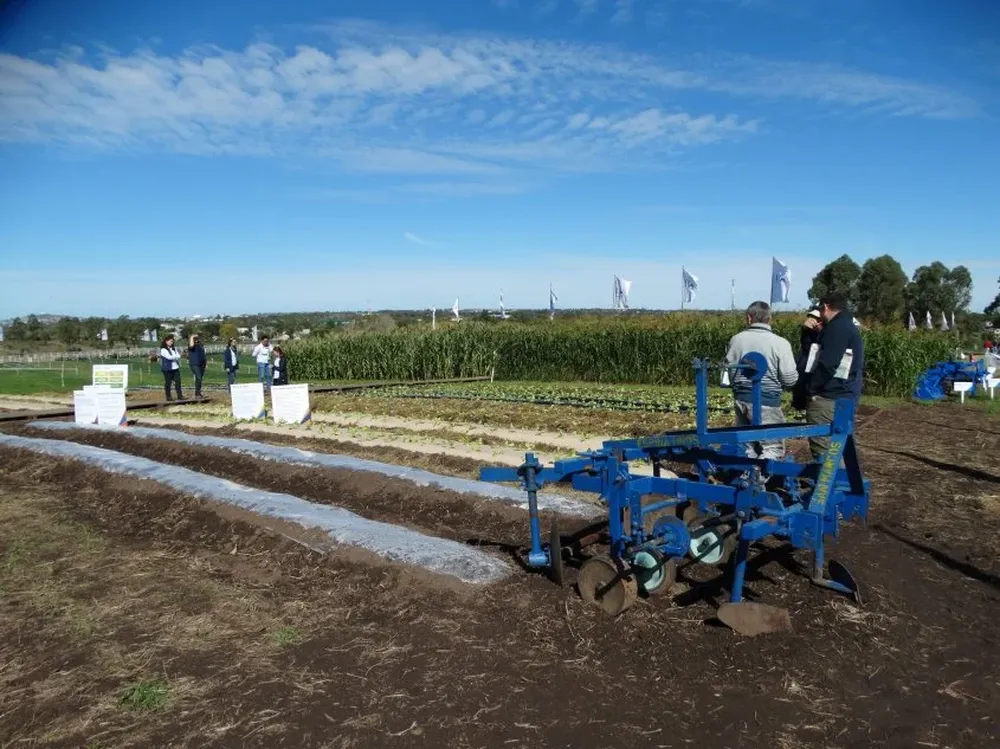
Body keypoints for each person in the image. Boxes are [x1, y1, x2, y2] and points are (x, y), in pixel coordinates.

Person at [724, 301, 798, 460]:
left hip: (740, 399)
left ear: (749, 318)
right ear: (769, 319)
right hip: (767, 401)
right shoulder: (780, 343)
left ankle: (746, 477)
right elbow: (789, 379)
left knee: (747, 446)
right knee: (772, 448)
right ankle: (757, 482)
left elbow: (730, 373)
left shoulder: (735, 340)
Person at [805, 292, 865, 461]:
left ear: (825, 307)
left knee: (823, 446)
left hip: (830, 396)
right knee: (839, 445)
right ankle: (841, 482)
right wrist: (813, 334)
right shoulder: (845, 326)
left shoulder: (837, 328)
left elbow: (828, 363)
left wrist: (811, 389)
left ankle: (830, 485)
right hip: (844, 393)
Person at [792, 309, 824, 410]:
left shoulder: (826, 331)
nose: (812, 320)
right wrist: (806, 329)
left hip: (816, 360)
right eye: (811, 317)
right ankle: (799, 406)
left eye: (816, 318)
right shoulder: (806, 330)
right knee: (800, 384)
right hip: (805, 360)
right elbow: (805, 345)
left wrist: (820, 331)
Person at [159, 335, 183, 401]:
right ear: (166, 341)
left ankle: (180, 396)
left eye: (172, 341)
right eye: (170, 341)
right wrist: (175, 356)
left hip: (175, 367)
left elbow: (179, 356)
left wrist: (174, 356)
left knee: (178, 382)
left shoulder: (173, 349)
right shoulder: (163, 350)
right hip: (167, 368)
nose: (171, 343)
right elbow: (169, 357)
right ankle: (168, 396)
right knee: (168, 382)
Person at [187, 334, 207, 398]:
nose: (197, 339)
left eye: (197, 338)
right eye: (195, 338)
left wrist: (206, 363)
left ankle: (198, 392)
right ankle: (197, 393)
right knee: (198, 377)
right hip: (194, 364)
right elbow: (191, 346)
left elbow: (203, 354)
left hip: (202, 363)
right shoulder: (191, 344)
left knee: (200, 378)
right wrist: (192, 337)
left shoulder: (200, 344)